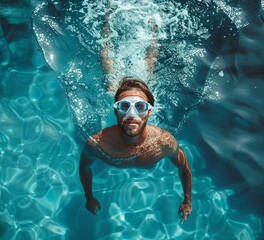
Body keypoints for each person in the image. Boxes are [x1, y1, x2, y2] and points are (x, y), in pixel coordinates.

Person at [79, 77, 192, 223]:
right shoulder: (97, 144)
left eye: (140, 107)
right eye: (124, 106)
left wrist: (187, 201)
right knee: (110, 81)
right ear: (115, 111)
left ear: (150, 112)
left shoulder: (164, 141)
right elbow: (84, 166)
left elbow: (183, 166)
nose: (131, 115)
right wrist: (88, 196)